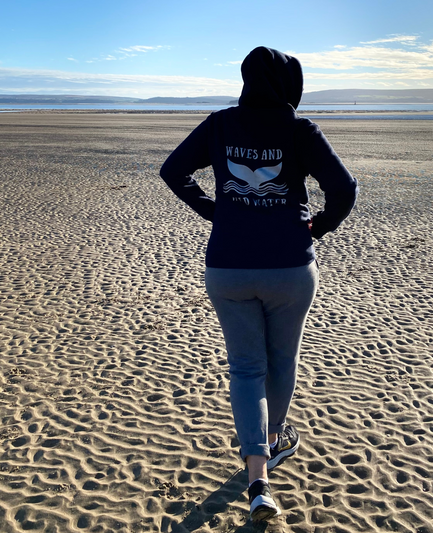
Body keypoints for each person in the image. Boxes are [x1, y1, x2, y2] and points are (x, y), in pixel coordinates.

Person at [160, 46, 357, 523]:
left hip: (228, 267)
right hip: (290, 266)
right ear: (292, 83)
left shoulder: (221, 124)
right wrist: (320, 226)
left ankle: (257, 479)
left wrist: (217, 212)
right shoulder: (298, 129)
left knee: (246, 369)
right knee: (281, 360)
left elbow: (173, 171)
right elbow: (344, 189)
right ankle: (274, 440)